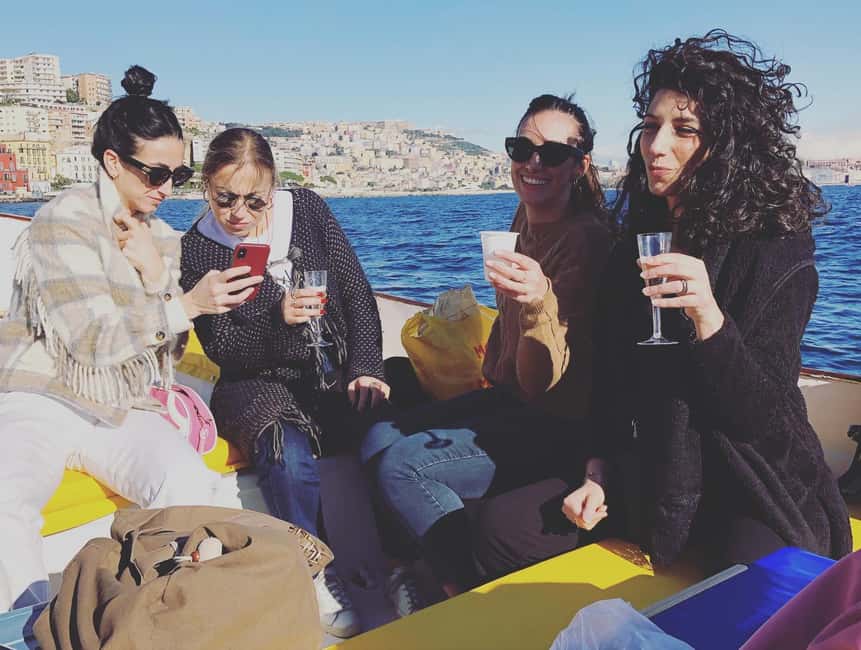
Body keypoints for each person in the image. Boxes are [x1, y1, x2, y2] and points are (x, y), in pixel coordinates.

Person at [556, 30, 851, 570]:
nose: (656, 145)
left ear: (728, 146)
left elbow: (763, 419)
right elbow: (611, 378)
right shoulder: (636, 241)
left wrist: (709, 320)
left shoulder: (774, 249)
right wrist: (597, 470)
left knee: (758, 587)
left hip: (746, 480)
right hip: (652, 475)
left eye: (684, 129)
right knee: (498, 532)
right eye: (650, 126)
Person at [0, 66, 258, 612]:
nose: (166, 189)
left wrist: (157, 274)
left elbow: (163, 357)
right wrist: (184, 303)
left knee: (189, 484)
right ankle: (27, 632)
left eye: (178, 175)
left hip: (120, 404)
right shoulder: (62, 221)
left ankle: (166, 622)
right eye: (155, 173)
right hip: (41, 396)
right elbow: (92, 342)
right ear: (113, 162)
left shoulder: (159, 236)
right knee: (5, 504)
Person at [364, 94, 611, 605]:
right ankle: (404, 569)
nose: (533, 163)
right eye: (522, 148)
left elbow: (543, 382)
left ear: (579, 166)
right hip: (509, 398)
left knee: (403, 465)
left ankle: (461, 597)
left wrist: (537, 301)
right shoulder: (524, 219)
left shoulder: (586, 242)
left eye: (553, 154)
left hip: (559, 421)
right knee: (377, 433)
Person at [179, 127, 390, 639]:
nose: (239, 213)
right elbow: (225, 350)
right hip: (254, 382)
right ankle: (312, 573)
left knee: (389, 424)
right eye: (225, 198)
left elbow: (357, 293)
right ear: (207, 187)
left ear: (273, 188)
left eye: (255, 200)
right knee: (285, 450)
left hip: (331, 367)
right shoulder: (199, 250)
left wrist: (367, 366)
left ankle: (394, 561)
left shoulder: (307, 210)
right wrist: (280, 319)